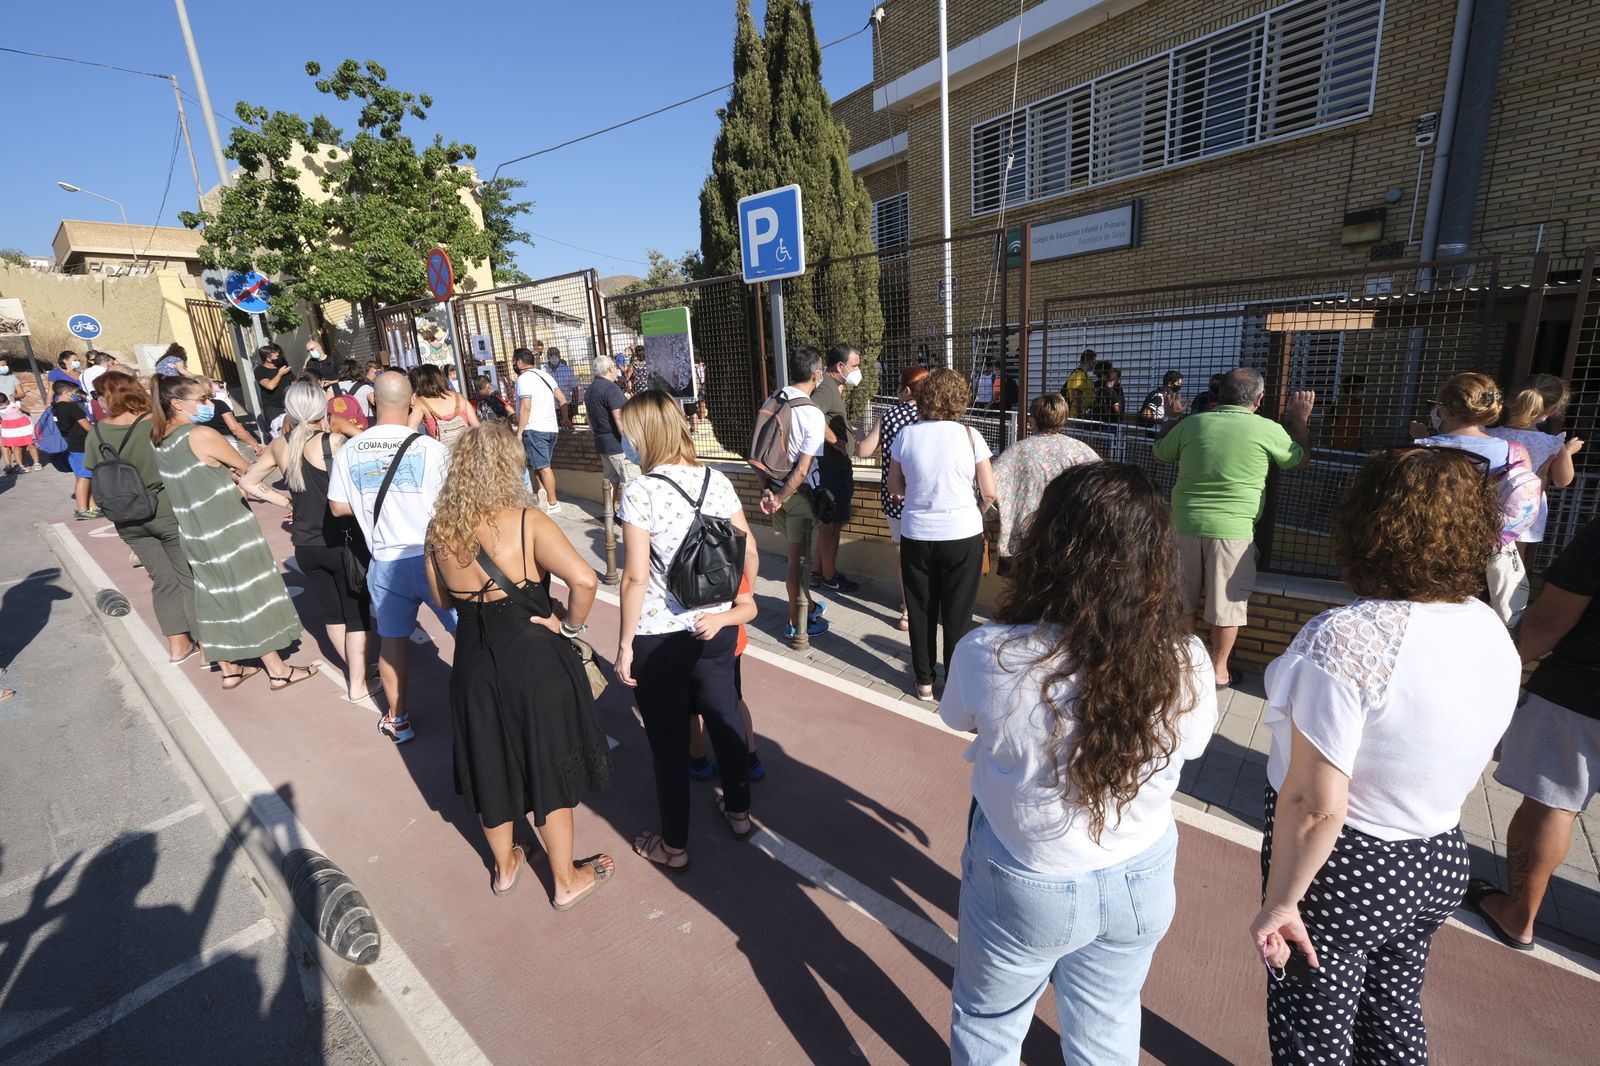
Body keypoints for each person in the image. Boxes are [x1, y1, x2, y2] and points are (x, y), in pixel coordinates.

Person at [1249, 445, 1520, 1064]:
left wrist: (1282, 900)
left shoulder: (1347, 635)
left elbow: (1316, 806)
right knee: (1392, 1015)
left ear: (1366, 526)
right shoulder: (1484, 621)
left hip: (1350, 865)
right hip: (1440, 853)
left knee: (1312, 1030)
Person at [942, 463, 1218, 1064]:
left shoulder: (990, 651)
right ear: (1156, 557)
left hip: (1026, 871)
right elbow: (1192, 747)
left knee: (989, 1022)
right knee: (1110, 1025)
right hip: (1141, 876)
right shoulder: (1188, 658)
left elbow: (956, 718)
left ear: (1049, 544)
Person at [424, 424, 614, 908]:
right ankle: (565, 880)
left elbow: (441, 597)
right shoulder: (528, 522)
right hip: (532, 659)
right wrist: (567, 627)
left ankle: (506, 868)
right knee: (548, 766)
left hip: (472, 663)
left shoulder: (439, 529)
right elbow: (585, 581)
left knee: (491, 764)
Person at [615, 390, 760, 874]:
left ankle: (674, 846)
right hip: (714, 626)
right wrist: (739, 599)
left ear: (644, 436)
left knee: (668, 741)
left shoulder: (639, 491)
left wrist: (623, 645)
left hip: (660, 634)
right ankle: (739, 813)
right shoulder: (716, 479)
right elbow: (747, 546)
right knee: (725, 719)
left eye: (629, 433)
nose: (625, 442)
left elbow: (635, 576)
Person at [1468, 516, 1600, 951]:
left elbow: (1548, 622)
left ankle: (1518, 915)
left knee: (1553, 806)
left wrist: (1497, 671)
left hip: (1582, 694)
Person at [150, 375, 312, 690]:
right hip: (228, 527)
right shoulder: (201, 434)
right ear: (179, 404)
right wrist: (286, 500)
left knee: (214, 597)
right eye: (203, 399)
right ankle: (277, 670)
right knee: (252, 592)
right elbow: (246, 473)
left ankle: (230, 668)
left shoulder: (158, 439)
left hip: (195, 532)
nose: (209, 405)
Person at [1154, 369, 1313, 687]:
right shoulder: (1266, 429)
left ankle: (1183, 667)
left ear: (1219, 395)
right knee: (1226, 607)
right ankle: (1218, 671)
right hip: (1233, 531)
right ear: (1260, 399)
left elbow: (1160, 453)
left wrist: (1171, 417)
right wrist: (1299, 421)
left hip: (1183, 523)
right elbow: (1300, 461)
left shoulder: (1192, 423)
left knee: (1180, 600)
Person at [328, 370, 456, 744]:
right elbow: (453, 504)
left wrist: (371, 506)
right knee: (466, 633)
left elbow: (337, 507)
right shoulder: (431, 449)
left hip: (385, 562)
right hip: (435, 557)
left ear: (372, 401)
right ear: (413, 401)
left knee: (393, 640)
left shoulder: (349, 450)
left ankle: (397, 718)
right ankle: (482, 704)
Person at [240, 382, 374, 702]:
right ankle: (358, 682)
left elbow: (248, 481)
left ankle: (356, 672)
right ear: (320, 409)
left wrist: (286, 502)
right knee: (356, 614)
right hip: (342, 540)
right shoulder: (333, 442)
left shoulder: (278, 445)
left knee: (333, 614)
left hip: (305, 545)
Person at [887, 368, 997, 702]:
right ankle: (952, 685)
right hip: (963, 534)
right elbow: (990, 492)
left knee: (920, 609)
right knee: (958, 613)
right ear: (959, 398)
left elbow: (895, 488)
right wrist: (973, 512)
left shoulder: (906, 435)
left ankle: (923, 682)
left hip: (916, 533)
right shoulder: (970, 436)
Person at [85, 373, 199, 664]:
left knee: (162, 580)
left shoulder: (96, 431)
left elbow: (91, 472)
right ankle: (208, 645)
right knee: (189, 577)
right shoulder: (154, 423)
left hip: (126, 517)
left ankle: (177, 646)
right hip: (164, 507)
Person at [1412, 372, 1538, 624]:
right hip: (1484, 552)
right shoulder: (1514, 452)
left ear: (1445, 409)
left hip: (1427, 547)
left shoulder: (1420, 449)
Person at [756, 347, 830, 640]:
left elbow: (760, 453)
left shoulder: (775, 398)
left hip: (774, 489)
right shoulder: (810, 412)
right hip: (797, 497)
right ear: (816, 374)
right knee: (798, 565)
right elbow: (802, 471)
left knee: (793, 559)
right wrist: (782, 497)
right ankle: (795, 623)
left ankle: (808, 604)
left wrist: (768, 492)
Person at [855, 365, 928, 631]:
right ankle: (924, 602)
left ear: (906, 390)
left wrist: (857, 432)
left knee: (903, 554)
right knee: (924, 554)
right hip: (927, 499)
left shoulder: (890, 416)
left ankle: (908, 609)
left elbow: (863, 451)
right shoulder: (933, 417)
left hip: (896, 498)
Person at [1486, 374, 1584, 560]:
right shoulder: (1550, 443)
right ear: (1554, 409)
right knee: (1513, 561)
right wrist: (1567, 452)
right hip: (1524, 507)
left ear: (1511, 400)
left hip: (1488, 502)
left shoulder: (1488, 434)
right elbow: (1563, 480)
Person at [991, 394, 1100, 561]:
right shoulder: (1082, 451)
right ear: (1064, 419)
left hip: (1026, 539)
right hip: (1070, 537)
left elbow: (990, 489)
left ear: (1032, 420)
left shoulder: (1016, 451)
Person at [686, 571, 764, 782]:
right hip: (727, 643)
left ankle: (698, 761)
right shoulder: (726, 553)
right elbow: (751, 553)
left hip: (705, 646)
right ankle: (750, 759)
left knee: (693, 708)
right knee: (733, 699)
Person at [811, 344, 862, 593]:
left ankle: (820, 572)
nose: (857, 370)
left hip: (834, 468)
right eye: (854, 366)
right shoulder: (827, 389)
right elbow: (811, 414)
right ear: (840, 366)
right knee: (832, 525)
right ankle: (830, 578)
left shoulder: (831, 388)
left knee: (828, 524)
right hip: (834, 469)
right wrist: (836, 441)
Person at [513, 346, 566, 516]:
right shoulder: (545, 375)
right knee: (538, 464)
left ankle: (552, 502)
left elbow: (526, 407)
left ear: (520, 362)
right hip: (551, 428)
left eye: (515, 361)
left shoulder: (524, 379)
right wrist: (564, 418)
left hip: (535, 428)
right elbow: (562, 399)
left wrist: (519, 431)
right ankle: (543, 497)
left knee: (543, 467)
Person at [585, 354, 633, 497]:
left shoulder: (590, 390)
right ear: (610, 368)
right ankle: (628, 516)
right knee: (631, 481)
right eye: (614, 366)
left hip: (602, 441)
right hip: (618, 444)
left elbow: (589, 419)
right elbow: (620, 419)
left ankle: (609, 514)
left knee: (610, 480)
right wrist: (631, 442)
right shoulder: (611, 389)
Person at [51, 379, 98, 519]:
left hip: (70, 445)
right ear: (66, 392)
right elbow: (87, 427)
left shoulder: (55, 408)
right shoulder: (72, 407)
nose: (77, 396)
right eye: (75, 393)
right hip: (80, 444)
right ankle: (83, 509)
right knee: (84, 476)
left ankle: (92, 507)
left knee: (85, 475)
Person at [407, 363, 478, 451]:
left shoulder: (420, 402)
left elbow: (410, 431)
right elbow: (477, 427)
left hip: (441, 455)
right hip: (466, 452)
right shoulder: (458, 397)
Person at [327, 360, 371, 434]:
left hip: (341, 430)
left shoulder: (333, 388)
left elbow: (326, 408)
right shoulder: (366, 387)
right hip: (364, 427)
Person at [1, 392, 40, 472]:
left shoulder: (16, 404)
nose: (3, 406)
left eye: (4, 403)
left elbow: (28, 410)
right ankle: (21, 466)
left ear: (7, 400)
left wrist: (15, 403)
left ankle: (36, 463)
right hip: (10, 430)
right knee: (17, 447)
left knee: (31, 444)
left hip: (24, 427)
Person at [253, 344, 292, 423]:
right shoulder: (260, 370)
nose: (278, 355)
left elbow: (295, 382)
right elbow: (270, 386)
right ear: (268, 359)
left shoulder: (282, 367)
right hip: (274, 408)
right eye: (275, 355)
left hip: (290, 405)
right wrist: (280, 374)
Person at [545, 348, 580, 424]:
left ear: (560, 356)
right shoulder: (543, 370)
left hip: (566, 407)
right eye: (551, 354)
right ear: (547, 356)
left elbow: (574, 388)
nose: (554, 357)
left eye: (556, 354)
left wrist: (575, 405)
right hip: (550, 409)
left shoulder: (567, 370)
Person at [1061, 347, 1097, 417]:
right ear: (1087, 361)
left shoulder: (1083, 374)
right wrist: (1080, 414)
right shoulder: (1080, 374)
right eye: (1093, 361)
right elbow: (1076, 393)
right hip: (1076, 416)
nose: (1095, 363)